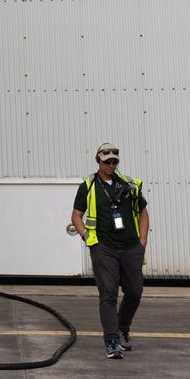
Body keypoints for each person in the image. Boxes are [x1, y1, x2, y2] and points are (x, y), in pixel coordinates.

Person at [72, 143, 149, 359]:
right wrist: (87, 237)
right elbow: (76, 215)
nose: (111, 165)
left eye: (115, 161)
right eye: (107, 162)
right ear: (98, 160)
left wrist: (142, 240)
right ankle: (112, 339)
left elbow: (143, 213)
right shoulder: (88, 186)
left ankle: (123, 327)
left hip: (130, 246)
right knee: (108, 293)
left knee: (135, 292)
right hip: (104, 247)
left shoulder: (130, 185)